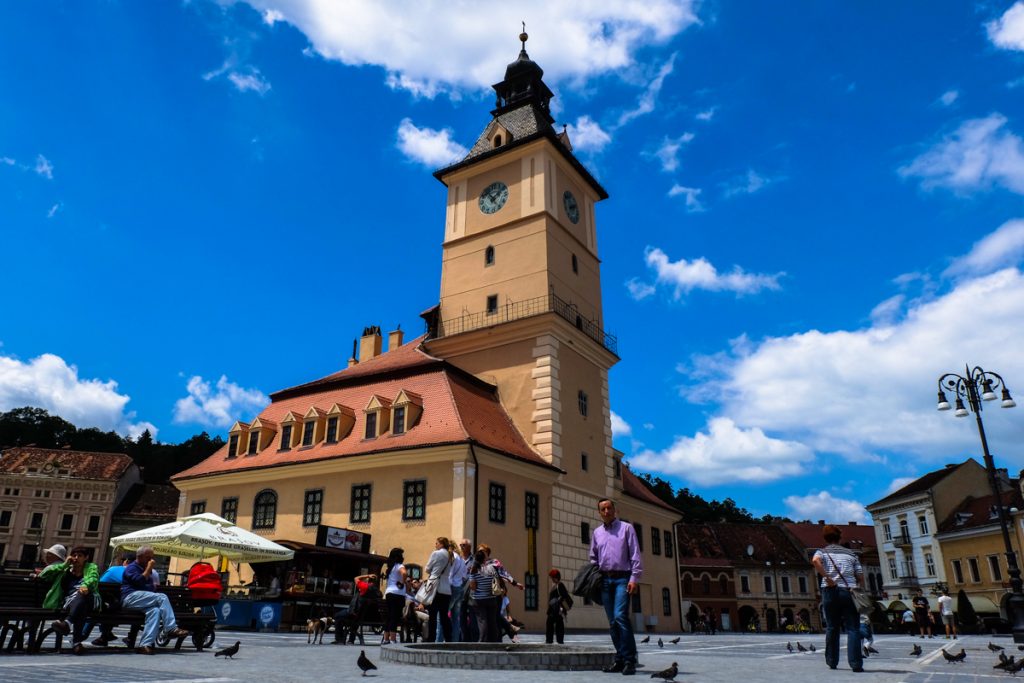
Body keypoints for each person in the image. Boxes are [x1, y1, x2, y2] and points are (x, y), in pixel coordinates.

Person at [589, 498, 642, 676]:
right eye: (603, 509)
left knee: (620, 617)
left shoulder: (626, 528)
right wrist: (595, 575)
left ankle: (629, 661)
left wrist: (634, 578)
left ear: (614, 510)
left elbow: (635, 554)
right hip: (605, 580)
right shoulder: (597, 532)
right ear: (599, 513)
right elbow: (593, 557)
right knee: (612, 622)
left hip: (622, 578)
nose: (606, 511)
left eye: (609, 508)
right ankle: (620, 659)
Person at [811, 524, 864, 673]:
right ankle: (856, 664)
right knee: (853, 628)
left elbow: (815, 561)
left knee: (832, 627)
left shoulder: (822, 552)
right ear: (840, 538)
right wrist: (857, 585)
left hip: (830, 591)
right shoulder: (851, 554)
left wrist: (827, 577)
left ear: (825, 538)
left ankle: (832, 661)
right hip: (849, 591)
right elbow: (860, 576)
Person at [120, 546, 189, 654]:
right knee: (162, 597)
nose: (151, 560)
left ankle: (144, 645)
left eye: (152, 557)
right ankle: (171, 629)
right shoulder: (131, 568)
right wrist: (149, 568)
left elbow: (149, 587)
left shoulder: (147, 569)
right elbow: (139, 581)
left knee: (155, 611)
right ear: (139, 557)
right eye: (148, 558)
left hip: (142, 600)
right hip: (130, 598)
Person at [37, 545, 100, 655]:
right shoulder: (66, 569)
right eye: (74, 555)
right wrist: (64, 565)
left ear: (86, 558)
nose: (76, 558)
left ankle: (67, 622)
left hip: (91, 598)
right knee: (81, 607)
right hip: (70, 602)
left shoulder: (91, 567)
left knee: (82, 594)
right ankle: (76, 642)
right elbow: (43, 575)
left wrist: (86, 585)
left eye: (80, 556)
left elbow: (93, 578)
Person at [91, 551, 136, 647]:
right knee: (112, 604)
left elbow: (99, 584)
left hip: (116, 607)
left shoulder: (114, 569)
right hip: (135, 609)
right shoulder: (144, 572)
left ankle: (102, 635)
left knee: (104, 607)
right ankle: (106, 635)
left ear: (126, 561)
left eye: (123, 560)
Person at [423, 536, 454, 642]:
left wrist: (434, 570)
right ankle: (448, 638)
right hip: (446, 588)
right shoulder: (450, 555)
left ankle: (431, 639)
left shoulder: (436, 553)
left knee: (432, 614)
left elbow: (427, 569)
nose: (435, 545)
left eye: (436, 543)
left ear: (441, 544)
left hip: (435, 587)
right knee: (444, 616)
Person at [382, 548, 407, 645]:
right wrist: (402, 583)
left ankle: (386, 639)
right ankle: (393, 639)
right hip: (398, 594)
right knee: (395, 617)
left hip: (389, 593)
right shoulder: (399, 566)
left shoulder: (390, 568)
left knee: (389, 616)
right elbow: (404, 573)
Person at [448, 539, 468, 642]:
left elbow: (449, 574)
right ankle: (454, 642)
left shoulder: (452, 557)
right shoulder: (461, 558)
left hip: (452, 588)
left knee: (442, 616)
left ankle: (439, 642)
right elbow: (465, 576)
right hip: (460, 589)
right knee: (456, 618)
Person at [545, 568, 573, 644]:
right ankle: (552, 640)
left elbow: (564, 596)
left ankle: (556, 640)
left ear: (556, 577)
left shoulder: (560, 585)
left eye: (552, 577)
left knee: (556, 624)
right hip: (553, 609)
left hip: (557, 609)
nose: (551, 579)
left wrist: (559, 602)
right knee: (553, 624)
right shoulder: (556, 585)